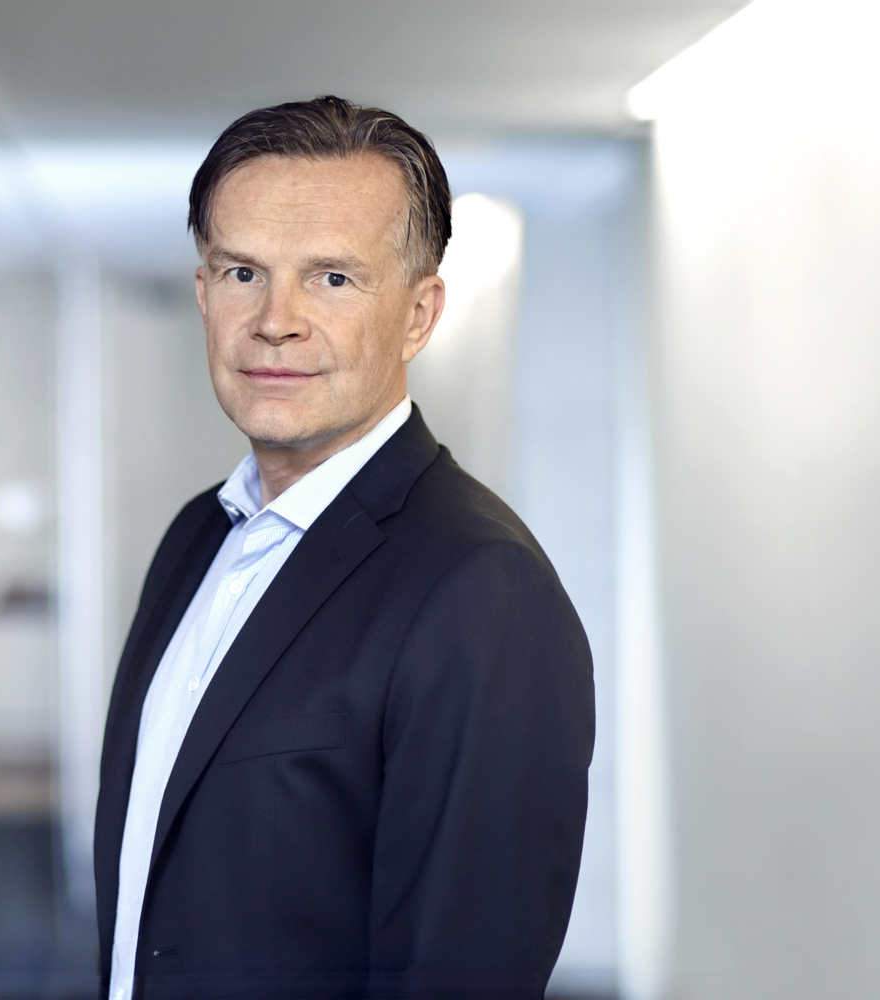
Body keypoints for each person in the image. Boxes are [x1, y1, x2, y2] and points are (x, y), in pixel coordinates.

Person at [94, 95, 595, 1000]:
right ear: (203, 295)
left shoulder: (482, 592)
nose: (275, 319)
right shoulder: (196, 538)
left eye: (332, 278)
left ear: (418, 314)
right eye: (243, 272)